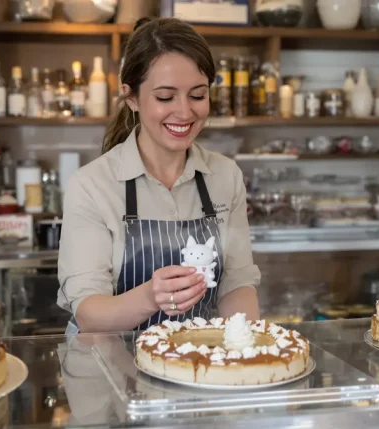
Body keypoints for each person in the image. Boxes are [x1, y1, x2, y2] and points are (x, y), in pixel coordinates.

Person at [57, 17, 260, 334]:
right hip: (112, 371)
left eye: (197, 95)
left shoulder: (225, 176)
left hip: (198, 363)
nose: (184, 112)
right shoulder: (92, 186)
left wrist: (243, 349)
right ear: (132, 97)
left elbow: (236, 284)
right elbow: (88, 313)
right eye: (165, 97)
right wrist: (153, 296)